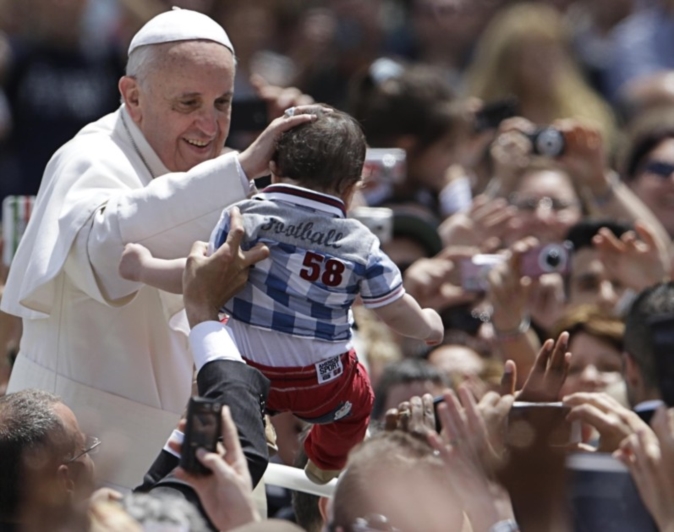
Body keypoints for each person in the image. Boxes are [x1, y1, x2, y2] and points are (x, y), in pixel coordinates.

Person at [0, 8, 313, 490]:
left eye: (223, 103)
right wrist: (241, 170)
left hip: (176, 460)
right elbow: (107, 249)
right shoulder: (89, 156)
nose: (209, 127)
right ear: (133, 96)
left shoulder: (223, 171)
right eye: (189, 104)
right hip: (71, 462)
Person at [119, 107, 445, 484]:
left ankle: (222, 438)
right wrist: (428, 327)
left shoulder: (245, 218)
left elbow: (197, 278)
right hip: (323, 383)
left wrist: (143, 267)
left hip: (246, 371)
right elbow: (393, 308)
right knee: (358, 407)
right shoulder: (362, 244)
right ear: (352, 188)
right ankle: (324, 462)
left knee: (211, 375)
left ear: (272, 169)